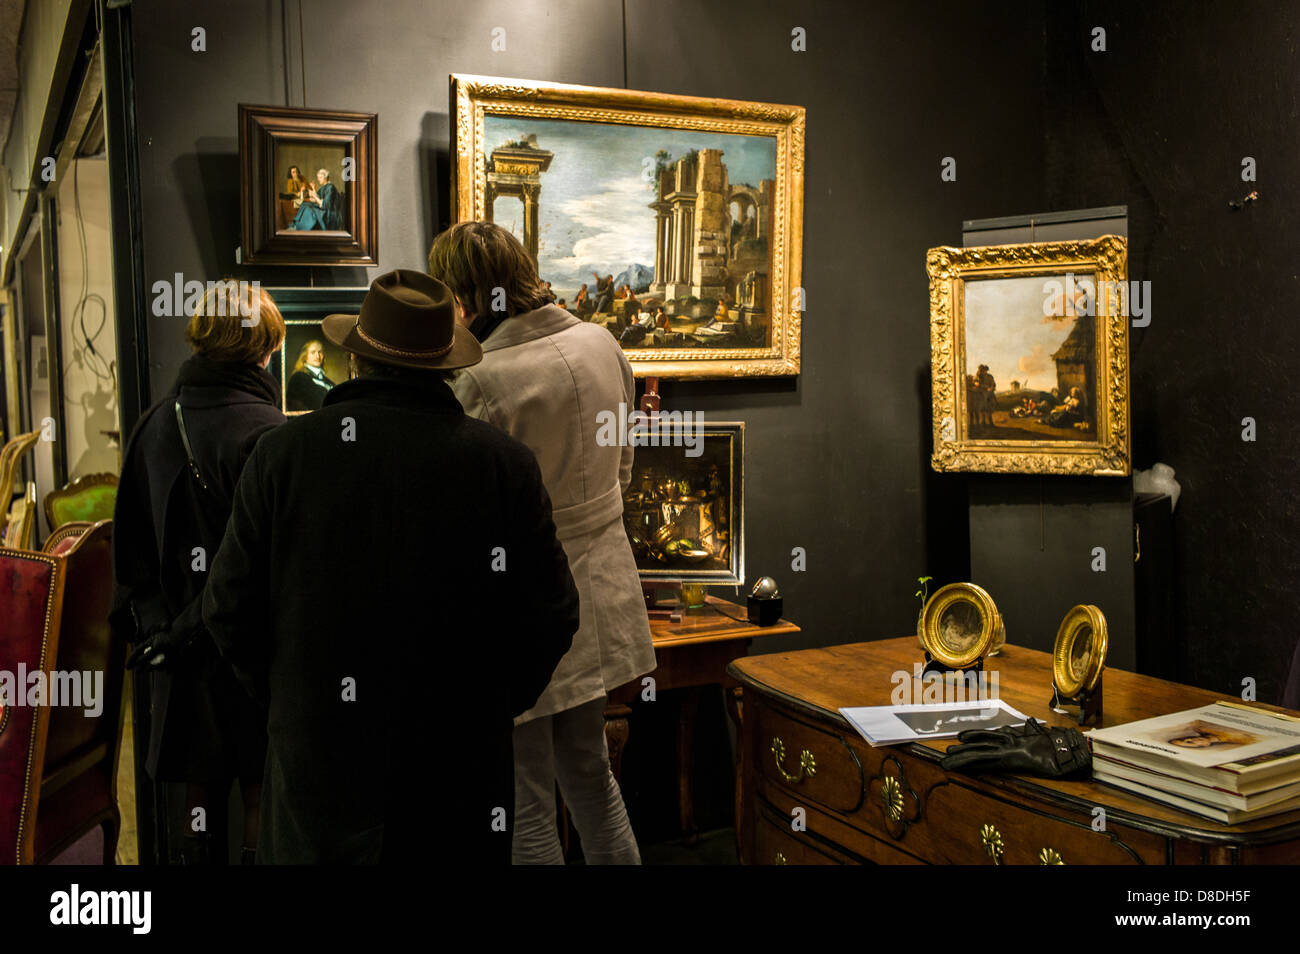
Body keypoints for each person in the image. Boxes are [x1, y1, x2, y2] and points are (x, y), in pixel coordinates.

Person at [202, 269, 578, 864]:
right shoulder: (502, 465)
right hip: (458, 778)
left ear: (358, 360)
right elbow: (553, 616)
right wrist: (485, 707)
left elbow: (225, 607)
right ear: (447, 368)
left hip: (316, 774)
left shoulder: (283, 456)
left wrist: (293, 700)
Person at [430, 221, 656, 865]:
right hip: (602, 584)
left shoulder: (479, 378)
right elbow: (624, 470)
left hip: (520, 603)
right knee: (592, 777)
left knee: (524, 799)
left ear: (466, 294)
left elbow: (473, 516)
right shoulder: (603, 343)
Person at [110, 282, 287, 864]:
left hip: (181, 658)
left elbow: (130, 560)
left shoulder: (154, 425)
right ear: (263, 346)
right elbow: (279, 565)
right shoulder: (271, 435)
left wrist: (165, 634)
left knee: (199, 809)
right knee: (263, 796)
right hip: (257, 653)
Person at [285, 339, 336, 411]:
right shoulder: (298, 377)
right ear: (305, 357)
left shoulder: (328, 382)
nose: (317, 356)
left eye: (320, 352)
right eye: (313, 352)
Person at [277, 165, 307, 231]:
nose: (295, 174)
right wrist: (299, 192)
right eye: (293, 172)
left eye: (296, 172)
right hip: (294, 198)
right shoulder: (290, 181)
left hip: (302, 197)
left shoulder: (301, 180)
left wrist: (304, 190)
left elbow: (306, 188)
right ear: (290, 174)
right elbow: (290, 192)